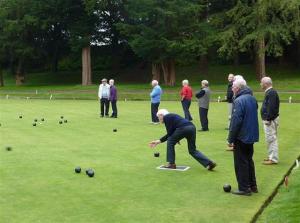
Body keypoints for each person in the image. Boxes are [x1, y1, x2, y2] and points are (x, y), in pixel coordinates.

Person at [149, 109, 216, 170]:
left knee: (170, 141)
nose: (158, 119)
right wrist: (176, 138)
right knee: (192, 150)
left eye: (158, 117)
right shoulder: (172, 116)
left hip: (183, 128)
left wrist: (159, 141)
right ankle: (209, 163)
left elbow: (170, 134)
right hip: (192, 128)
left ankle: (171, 164)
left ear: (161, 115)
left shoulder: (167, 117)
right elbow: (174, 130)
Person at [227, 78, 259, 196]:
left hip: (241, 136)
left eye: (233, 87)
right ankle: (253, 185)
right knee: (249, 160)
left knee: (241, 162)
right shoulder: (252, 98)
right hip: (251, 135)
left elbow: (236, 121)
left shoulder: (239, 100)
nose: (232, 89)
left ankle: (244, 188)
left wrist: (230, 138)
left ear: (238, 88)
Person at [260, 77, 280, 165]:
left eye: (261, 83)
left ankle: (273, 158)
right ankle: (271, 156)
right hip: (270, 119)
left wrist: (268, 119)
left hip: (270, 120)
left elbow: (271, 108)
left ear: (266, 84)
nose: (260, 84)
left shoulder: (271, 93)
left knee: (271, 139)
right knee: (270, 139)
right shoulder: (270, 92)